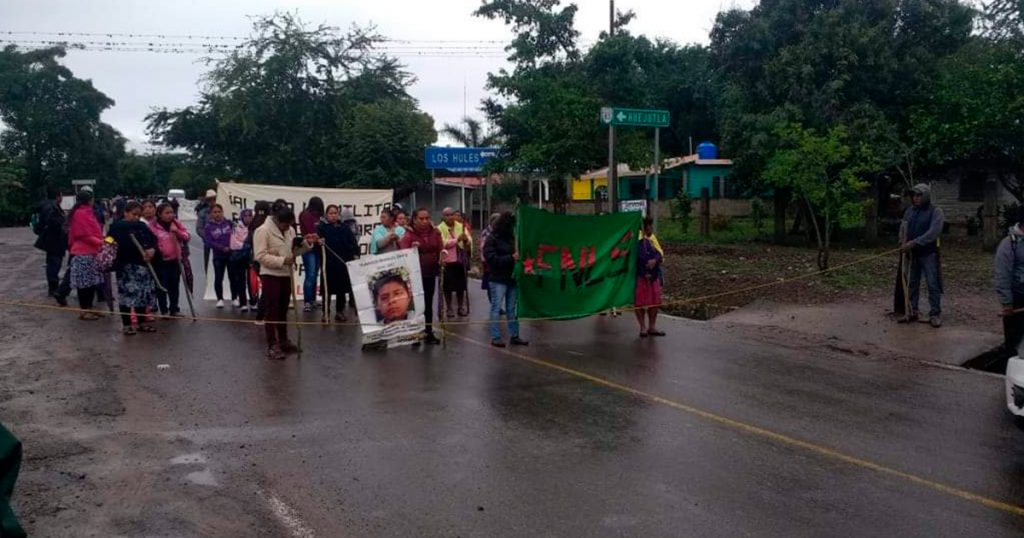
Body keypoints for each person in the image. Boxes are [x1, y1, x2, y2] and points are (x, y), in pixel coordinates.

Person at [254, 206, 316, 360]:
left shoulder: (290, 231)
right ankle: (272, 344)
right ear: (277, 220)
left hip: (286, 274)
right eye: (286, 224)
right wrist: (282, 260)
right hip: (270, 274)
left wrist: (306, 244)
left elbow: (293, 253)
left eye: (290, 224)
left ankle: (283, 340)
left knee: (283, 309)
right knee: (272, 310)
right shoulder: (263, 230)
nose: (288, 227)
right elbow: (260, 256)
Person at [107, 201, 159, 335]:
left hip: (142, 265)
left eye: (138, 215)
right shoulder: (117, 227)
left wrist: (152, 250)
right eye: (133, 214)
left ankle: (142, 322)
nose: (136, 217)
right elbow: (109, 241)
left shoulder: (142, 226)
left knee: (142, 295)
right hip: (125, 267)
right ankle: (127, 324)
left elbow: (153, 240)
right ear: (126, 213)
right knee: (126, 296)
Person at [899, 183, 945, 328]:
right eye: (914, 195)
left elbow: (933, 233)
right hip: (912, 255)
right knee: (912, 282)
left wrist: (915, 243)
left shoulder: (936, 211)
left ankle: (935, 314)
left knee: (932, 283)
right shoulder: (909, 211)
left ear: (925, 196)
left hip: (928, 254)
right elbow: (903, 228)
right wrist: (902, 242)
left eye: (919, 195)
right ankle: (912, 310)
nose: (916, 198)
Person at [484, 211, 527, 348]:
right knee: (496, 308)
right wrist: (510, 258)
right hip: (498, 278)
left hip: (511, 277)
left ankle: (514, 335)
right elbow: (491, 259)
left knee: (511, 308)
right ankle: (495, 336)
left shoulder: (512, 238)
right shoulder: (492, 239)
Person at [400, 208, 443, 345]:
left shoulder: (435, 232)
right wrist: (412, 248)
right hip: (415, 275)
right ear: (414, 219)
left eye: (427, 218)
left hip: (430, 273)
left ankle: (428, 332)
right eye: (421, 219)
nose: (425, 221)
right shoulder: (409, 235)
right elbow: (402, 253)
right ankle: (415, 333)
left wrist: (442, 257)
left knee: (428, 304)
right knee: (416, 305)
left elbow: (440, 249)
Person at [66, 190, 105, 320]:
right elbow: (83, 235)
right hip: (83, 253)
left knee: (92, 283)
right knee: (84, 285)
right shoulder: (80, 214)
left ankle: (90, 307)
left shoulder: (87, 212)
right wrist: (101, 242)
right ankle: (84, 310)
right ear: (90, 200)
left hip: (93, 252)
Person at [317, 205, 359, 321]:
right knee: (327, 290)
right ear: (326, 215)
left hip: (342, 263)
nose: (333, 215)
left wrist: (355, 254)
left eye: (335, 213)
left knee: (341, 289)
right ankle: (325, 312)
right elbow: (315, 244)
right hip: (328, 264)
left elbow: (353, 242)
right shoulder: (321, 228)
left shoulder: (344, 227)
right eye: (331, 213)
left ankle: (339, 311)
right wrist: (319, 243)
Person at [149, 203, 190, 317]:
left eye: (171, 212)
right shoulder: (153, 226)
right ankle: (164, 310)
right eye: (167, 213)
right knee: (162, 286)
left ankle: (174, 308)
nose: (170, 215)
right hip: (160, 261)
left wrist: (177, 232)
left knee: (174, 285)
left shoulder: (176, 224)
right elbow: (149, 241)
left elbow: (187, 236)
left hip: (175, 260)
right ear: (159, 214)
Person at [995, 212, 1024, 358]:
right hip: (1017, 298)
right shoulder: (1009, 244)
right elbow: (1003, 275)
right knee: (1014, 343)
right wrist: (1007, 303)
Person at [34, 187, 69, 305]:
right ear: (58, 196)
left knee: (53, 263)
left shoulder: (49, 206)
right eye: (61, 196)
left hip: (53, 240)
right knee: (54, 264)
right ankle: (53, 288)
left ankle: (53, 287)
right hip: (55, 241)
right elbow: (52, 222)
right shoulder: (52, 208)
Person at [438, 207, 472, 318]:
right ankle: (449, 308)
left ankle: (460, 307)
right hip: (447, 261)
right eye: (447, 215)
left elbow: (469, 240)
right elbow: (442, 243)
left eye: (451, 214)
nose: (450, 217)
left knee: (461, 286)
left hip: (460, 260)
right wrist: (456, 240)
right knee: (447, 287)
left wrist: (466, 239)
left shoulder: (460, 226)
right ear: (443, 217)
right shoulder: (439, 228)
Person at [635, 217, 665, 338]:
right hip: (641, 276)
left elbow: (660, 254)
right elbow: (635, 260)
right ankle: (642, 327)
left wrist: (655, 260)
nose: (651, 228)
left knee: (655, 302)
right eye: (649, 225)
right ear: (644, 227)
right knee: (640, 302)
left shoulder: (652, 239)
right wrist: (643, 272)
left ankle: (652, 326)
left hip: (654, 276)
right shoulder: (636, 240)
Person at [299, 197, 325, 312]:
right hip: (309, 248)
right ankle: (307, 302)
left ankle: (313, 300)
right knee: (310, 274)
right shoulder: (305, 215)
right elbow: (311, 231)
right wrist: (317, 237)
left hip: (318, 248)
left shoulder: (319, 216)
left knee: (315, 275)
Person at [203, 204, 233, 308]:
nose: (217, 214)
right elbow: (208, 242)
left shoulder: (229, 223)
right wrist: (221, 247)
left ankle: (234, 298)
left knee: (233, 277)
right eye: (214, 212)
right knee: (218, 278)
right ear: (211, 214)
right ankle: (220, 299)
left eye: (219, 212)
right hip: (218, 256)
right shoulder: (208, 227)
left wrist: (231, 246)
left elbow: (235, 236)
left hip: (231, 255)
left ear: (222, 212)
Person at [228, 209, 254, 311]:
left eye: (250, 216)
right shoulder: (236, 227)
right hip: (240, 257)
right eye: (246, 216)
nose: (248, 218)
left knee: (252, 281)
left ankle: (253, 301)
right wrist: (246, 245)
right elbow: (233, 243)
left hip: (252, 258)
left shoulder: (255, 227)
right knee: (241, 280)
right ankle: (243, 302)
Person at [478, 213, 501, 307]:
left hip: (496, 261)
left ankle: (496, 305)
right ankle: (495, 305)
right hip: (488, 262)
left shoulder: (498, 232)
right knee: (490, 284)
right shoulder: (486, 233)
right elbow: (483, 248)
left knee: (497, 284)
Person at [195, 189, 216, 271]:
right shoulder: (203, 213)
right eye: (210, 199)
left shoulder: (223, 210)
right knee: (208, 266)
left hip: (222, 244)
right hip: (208, 244)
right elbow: (199, 228)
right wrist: (208, 236)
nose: (212, 201)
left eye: (214, 199)